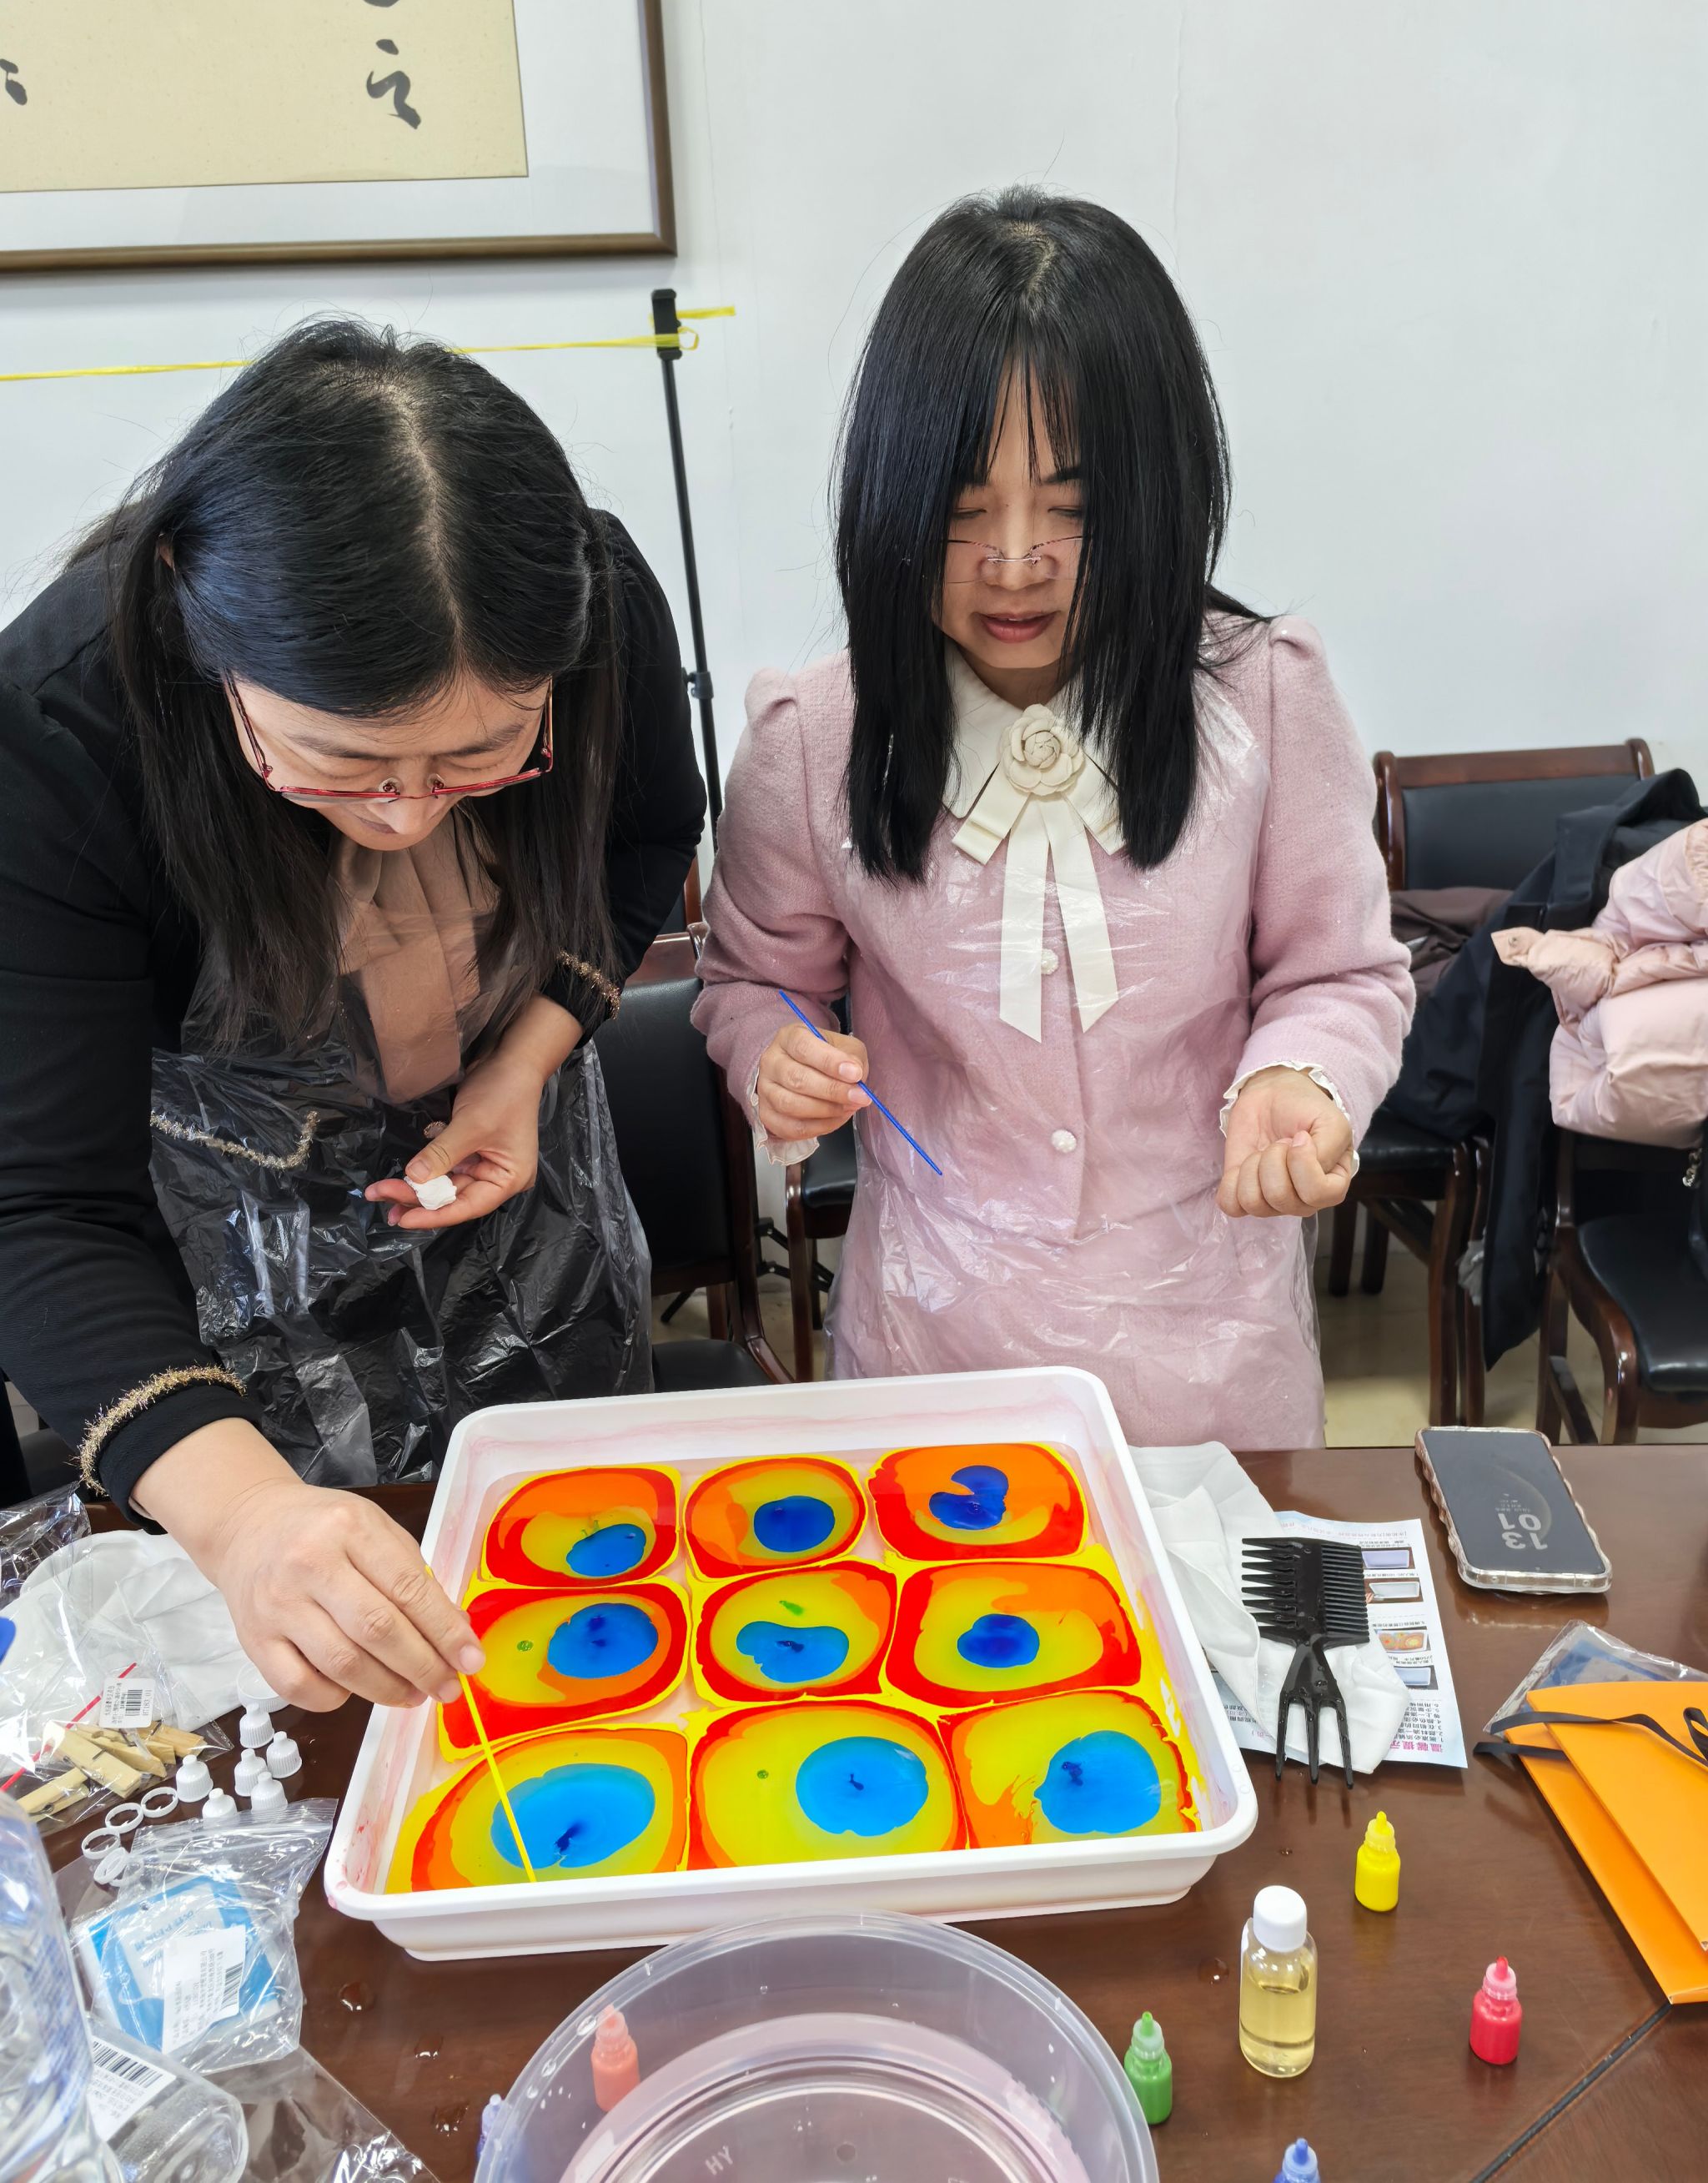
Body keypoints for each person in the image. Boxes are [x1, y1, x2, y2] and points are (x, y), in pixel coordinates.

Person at [0, 320, 704, 1709]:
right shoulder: (60, 731)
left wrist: (523, 1061)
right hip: (234, 1275)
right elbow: (42, 1208)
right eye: (343, 760)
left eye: (480, 756)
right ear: (200, 632)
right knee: (329, 1673)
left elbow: (641, 846)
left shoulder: (590, 604)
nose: (408, 816)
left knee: (594, 1610)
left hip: (531, 1176)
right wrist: (247, 1517)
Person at [693, 188, 1413, 1446]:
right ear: (892, 495)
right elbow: (755, 979)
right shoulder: (814, 740)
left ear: (1156, 494)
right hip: (935, 1345)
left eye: (1071, 507)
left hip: (1210, 1341)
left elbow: (1340, 971)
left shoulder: (1263, 698)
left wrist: (1299, 1076)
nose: (1016, 560)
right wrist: (777, 1055)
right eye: (964, 508)